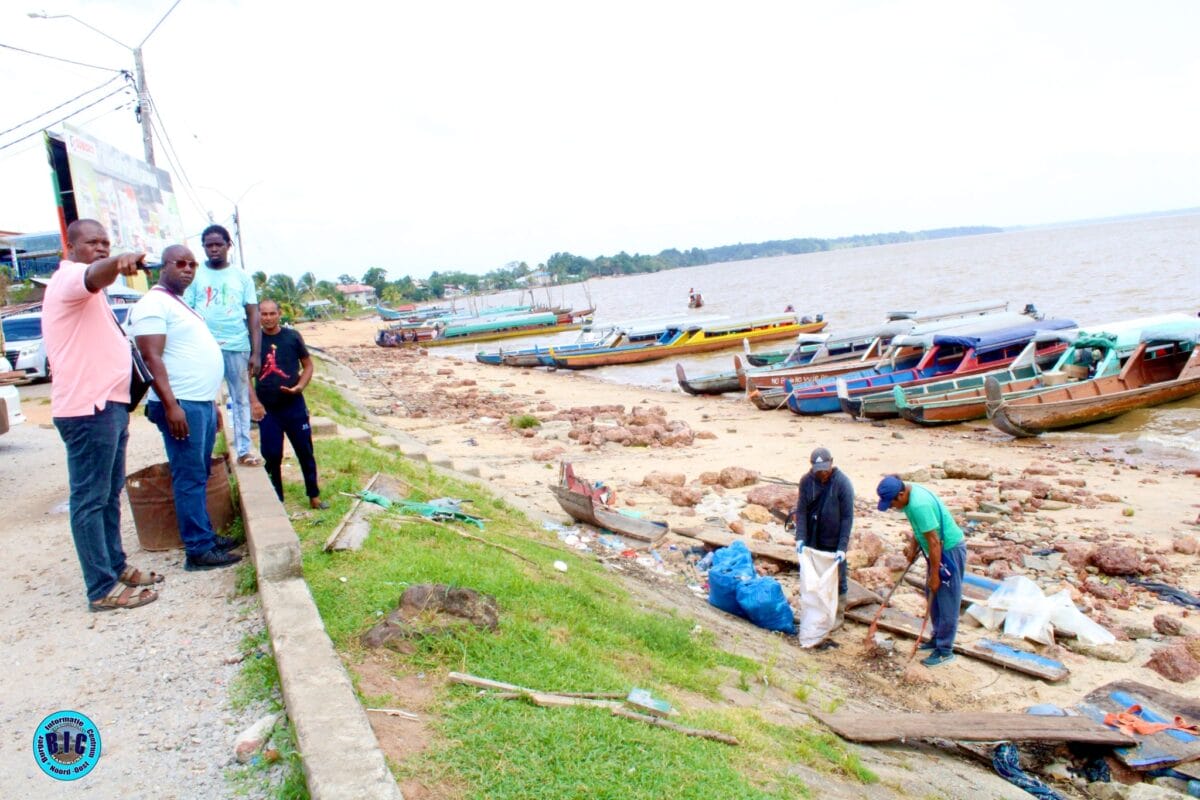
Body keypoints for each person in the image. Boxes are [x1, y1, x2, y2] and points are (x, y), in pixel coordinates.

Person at [43, 219, 162, 611]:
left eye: (106, 243)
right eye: (92, 242)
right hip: (87, 410)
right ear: (71, 247)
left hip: (107, 406)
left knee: (109, 495)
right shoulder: (71, 278)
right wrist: (119, 261)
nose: (100, 248)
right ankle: (101, 588)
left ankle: (116, 566)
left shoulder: (90, 292)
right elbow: (94, 274)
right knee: (90, 500)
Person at [132, 245, 242, 571]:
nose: (188, 269)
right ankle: (198, 549)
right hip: (181, 405)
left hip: (200, 403)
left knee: (199, 473)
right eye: (180, 263)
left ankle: (205, 536)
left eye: (193, 264)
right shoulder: (152, 303)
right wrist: (171, 406)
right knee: (189, 477)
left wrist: (211, 404)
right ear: (162, 267)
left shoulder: (176, 303)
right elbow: (151, 357)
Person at [185, 224, 262, 467]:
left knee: (240, 398)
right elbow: (187, 312)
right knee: (202, 399)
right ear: (204, 248)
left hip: (237, 345)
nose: (214, 249)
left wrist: (256, 352)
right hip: (203, 348)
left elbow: (253, 314)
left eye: (219, 244)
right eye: (209, 245)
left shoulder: (242, 277)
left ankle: (244, 450)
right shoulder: (195, 276)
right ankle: (203, 453)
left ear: (229, 246)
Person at [876, 475, 966, 667]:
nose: (892, 507)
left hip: (948, 550)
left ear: (901, 494)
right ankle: (936, 638)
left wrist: (934, 575)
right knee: (932, 595)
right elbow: (920, 529)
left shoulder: (919, 505)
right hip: (936, 549)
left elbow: (934, 542)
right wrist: (913, 547)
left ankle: (944, 650)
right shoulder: (909, 495)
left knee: (947, 599)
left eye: (892, 503)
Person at [250, 299, 328, 509]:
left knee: (305, 451)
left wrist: (300, 386)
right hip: (268, 409)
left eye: (271, 314)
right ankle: (278, 499)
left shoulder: (292, 336)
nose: (267, 318)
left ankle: (313, 495)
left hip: (294, 405)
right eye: (263, 314)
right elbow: (245, 375)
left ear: (279, 313)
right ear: (258, 315)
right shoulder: (253, 341)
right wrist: (254, 402)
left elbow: (308, 365)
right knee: (272, 454)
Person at [793, 447, 854, 627]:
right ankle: (817, 612)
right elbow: (802, 510)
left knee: (839, 579)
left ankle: (837, 616)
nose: (823, 474)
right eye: (819, 471)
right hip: (813, 539)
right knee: (815, 578)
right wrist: (800, 537)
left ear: (832, 463)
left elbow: (847, 517)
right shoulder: (806, 482)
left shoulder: (843, 483)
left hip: (834, 540)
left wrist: (842, 547)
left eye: (826, 470)